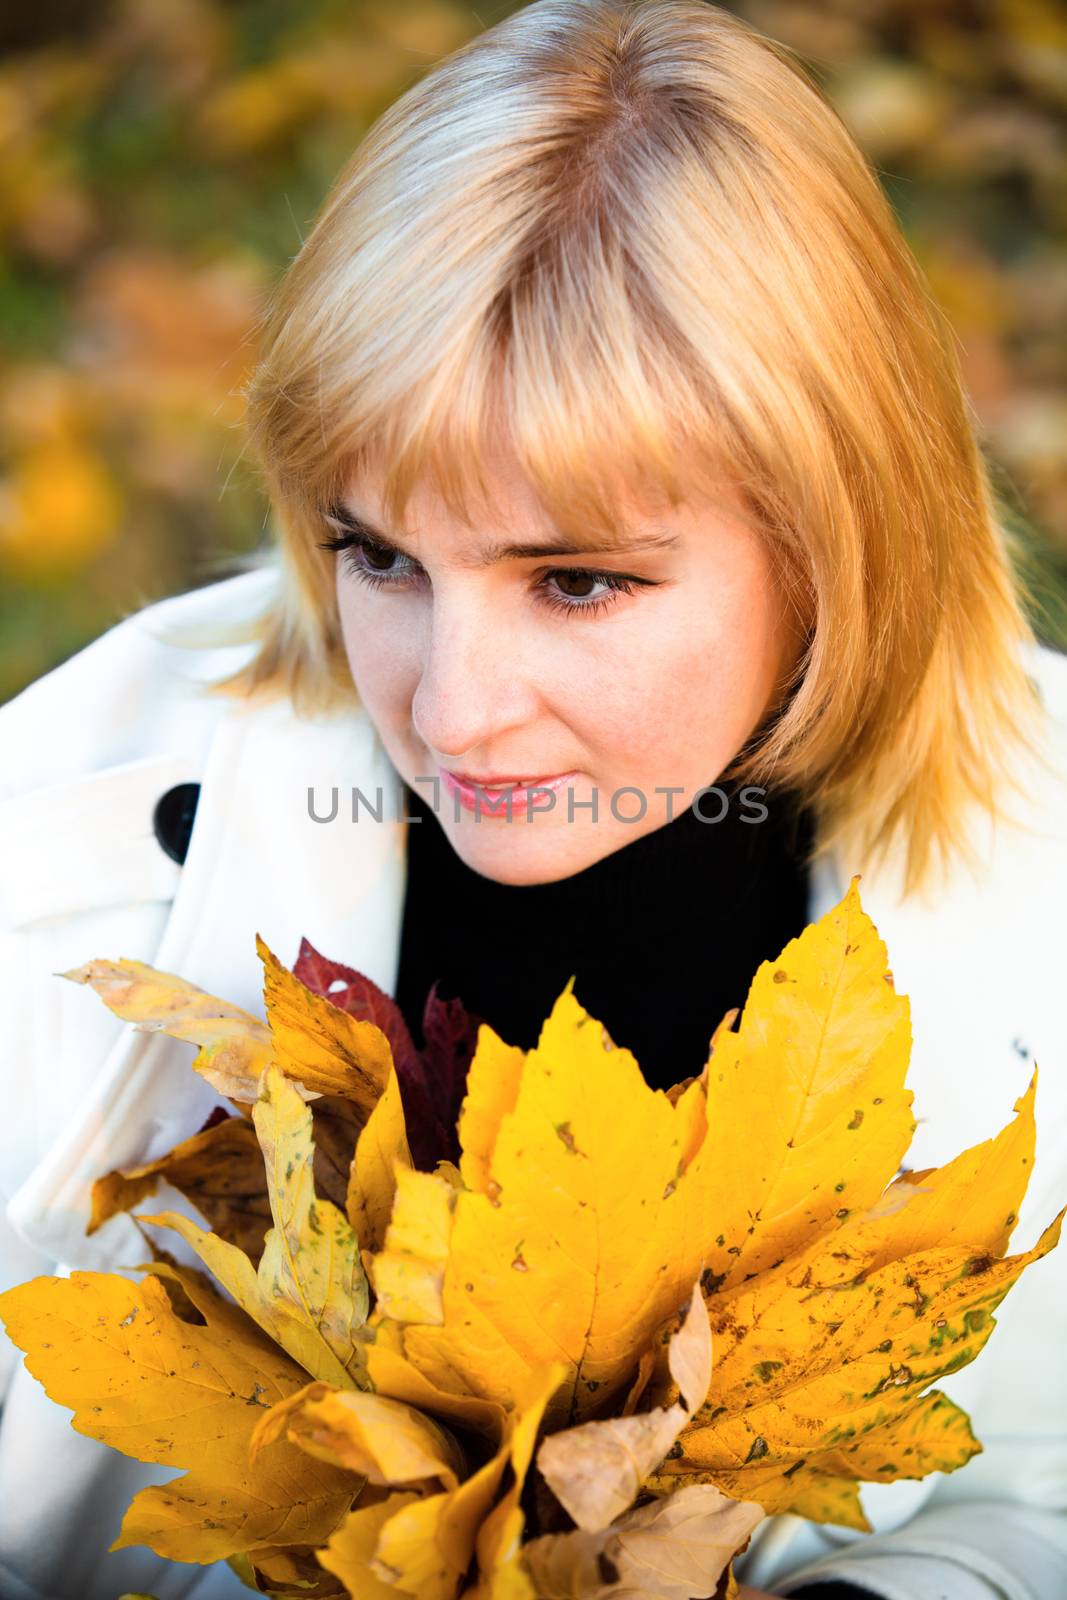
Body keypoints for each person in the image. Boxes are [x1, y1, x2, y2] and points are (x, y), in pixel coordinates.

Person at [0, 1, 1065, 1596]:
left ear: (840, 534)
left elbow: (1034, 1473)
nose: (451, 707)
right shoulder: (57, 850)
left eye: (575, 580)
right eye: (382, 556)